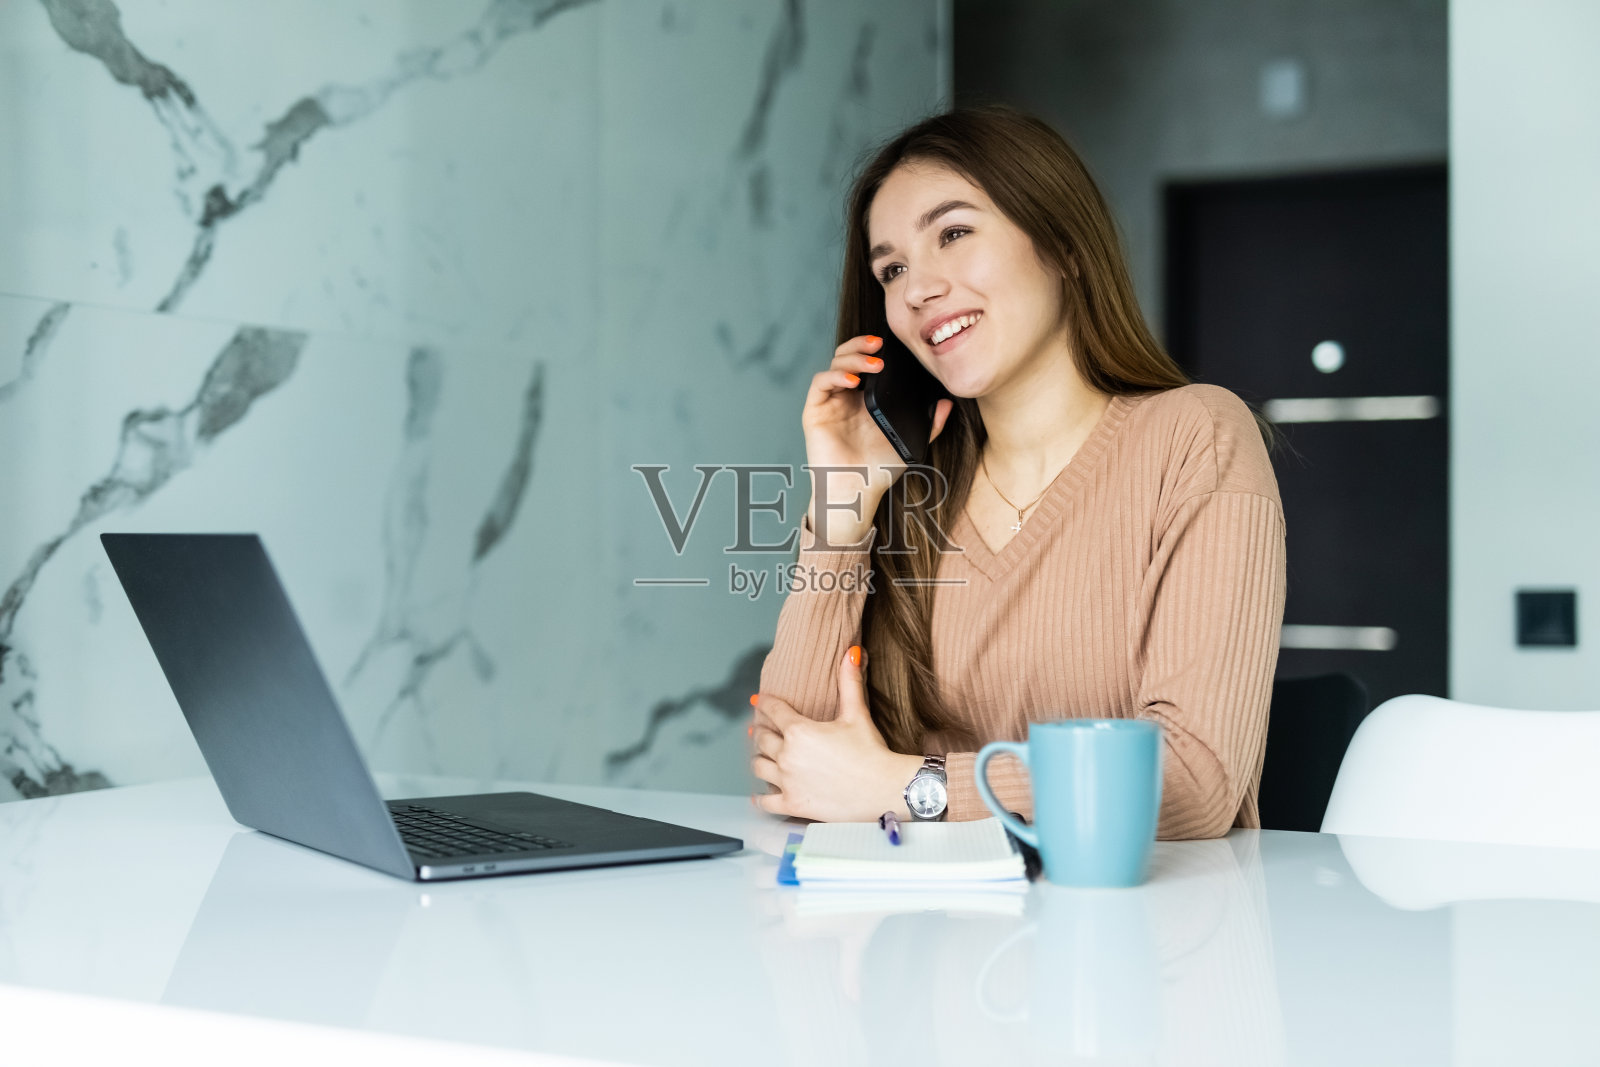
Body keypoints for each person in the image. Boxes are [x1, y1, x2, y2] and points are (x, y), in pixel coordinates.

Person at [749, 104, 1286, 840]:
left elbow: (1193, 783)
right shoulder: (910, 491)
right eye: (892, 268)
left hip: (1145, 937)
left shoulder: (1196, 435)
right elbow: (795, 760)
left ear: (1063, 245)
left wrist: (910, 786)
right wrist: (846, 504)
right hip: (930, 937)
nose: (916, 289)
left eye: (954, 233)